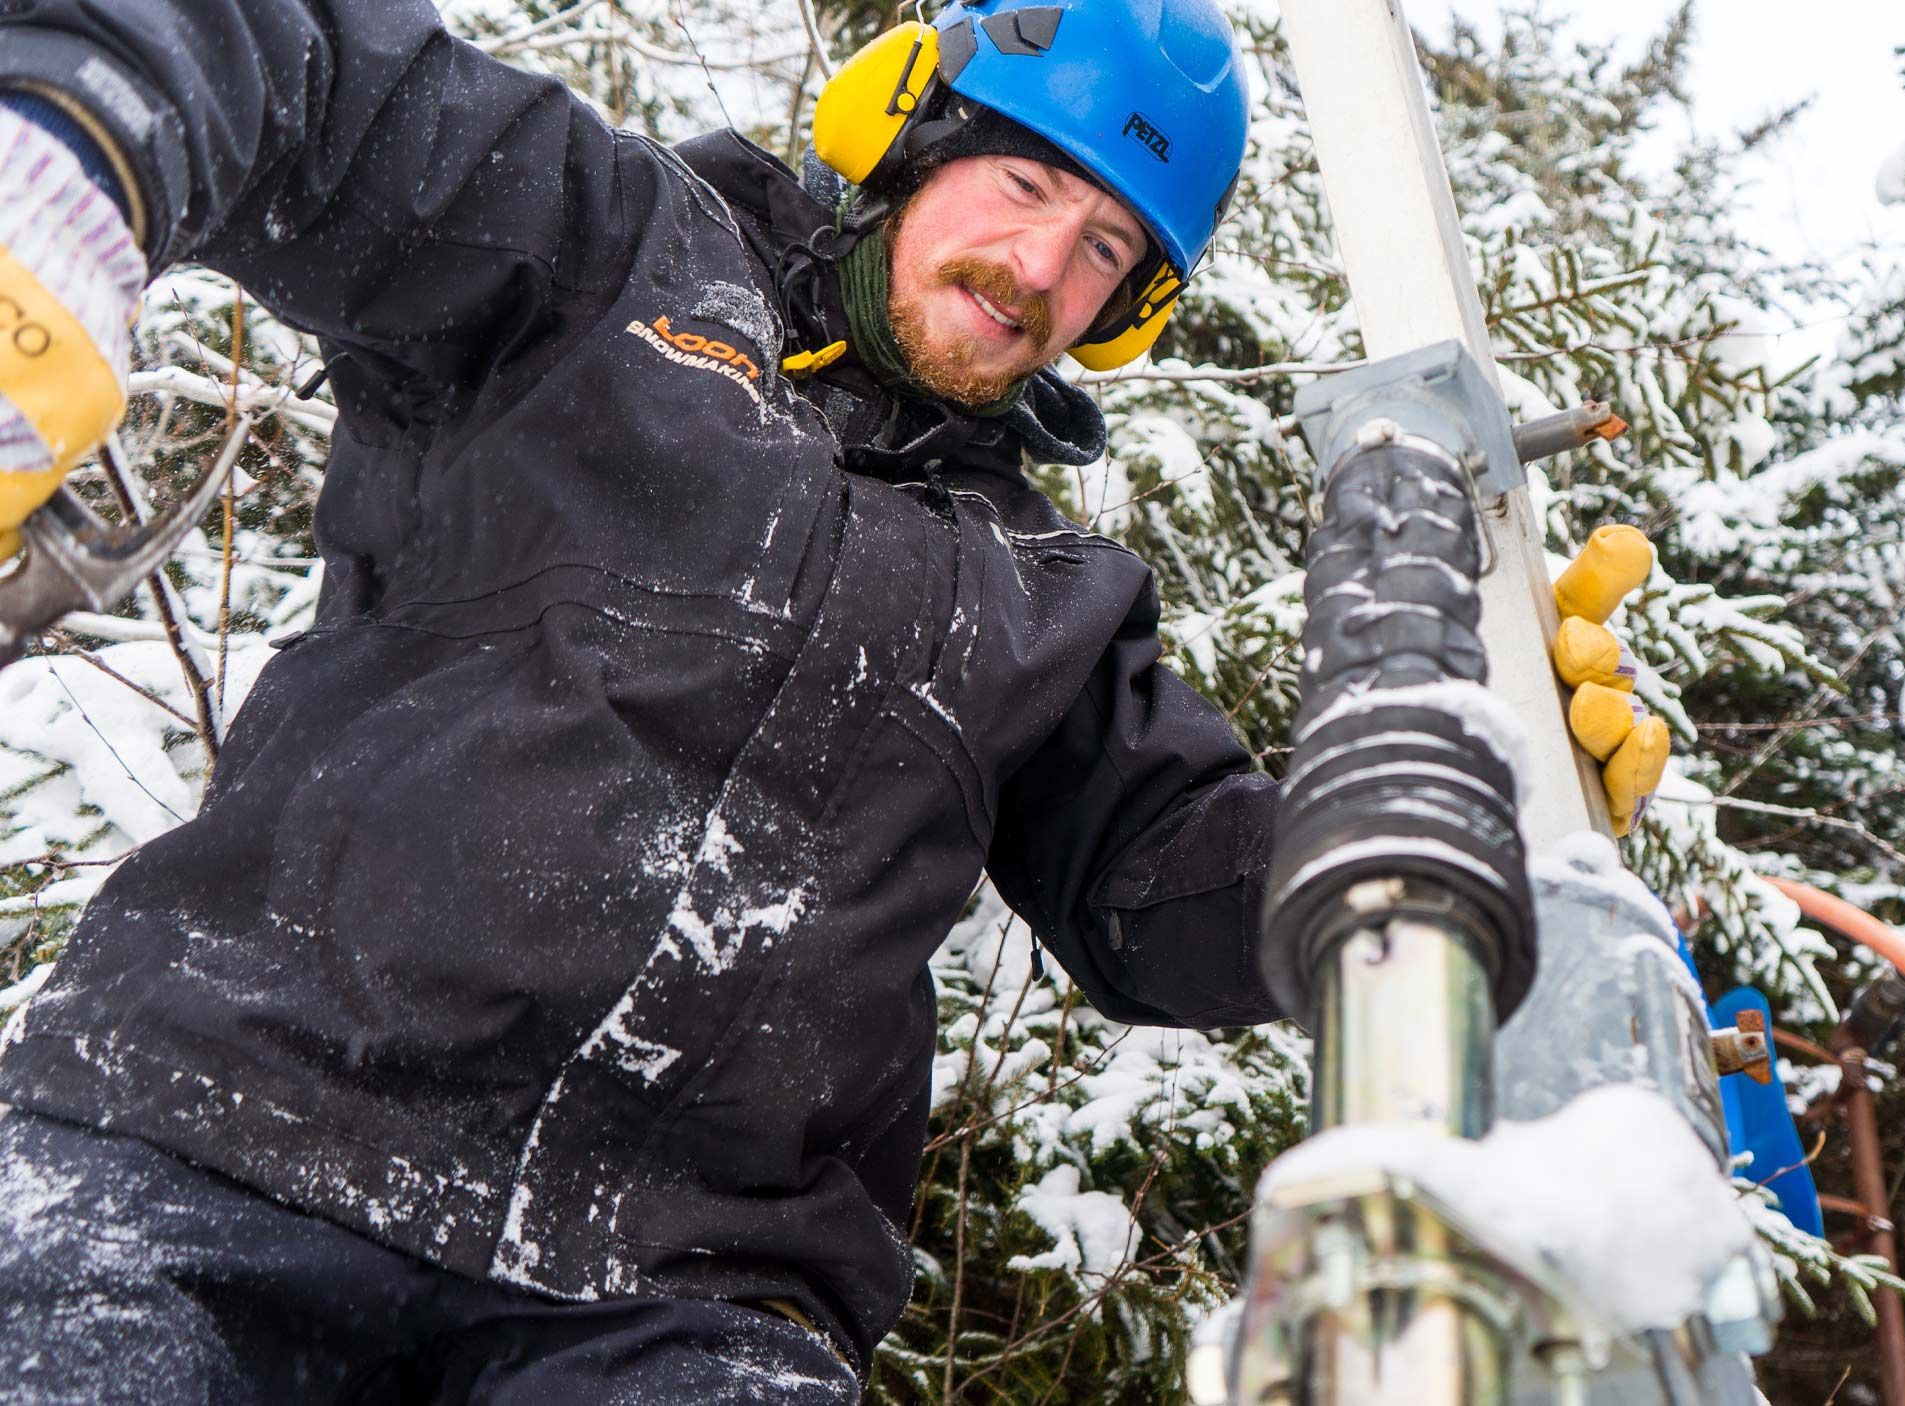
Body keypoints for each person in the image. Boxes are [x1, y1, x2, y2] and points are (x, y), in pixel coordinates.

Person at [0, 1, 1281, 1399]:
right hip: (212, 1143)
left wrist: (1480, 838)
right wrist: (65, 169)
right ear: (912, 139)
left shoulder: (1052, 597)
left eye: (1105, 247)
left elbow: (1186, 886)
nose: (1039, 264)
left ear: (1132, 309)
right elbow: (301, 76)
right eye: (1026, 181)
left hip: (679, 1306)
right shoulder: (601, 250)